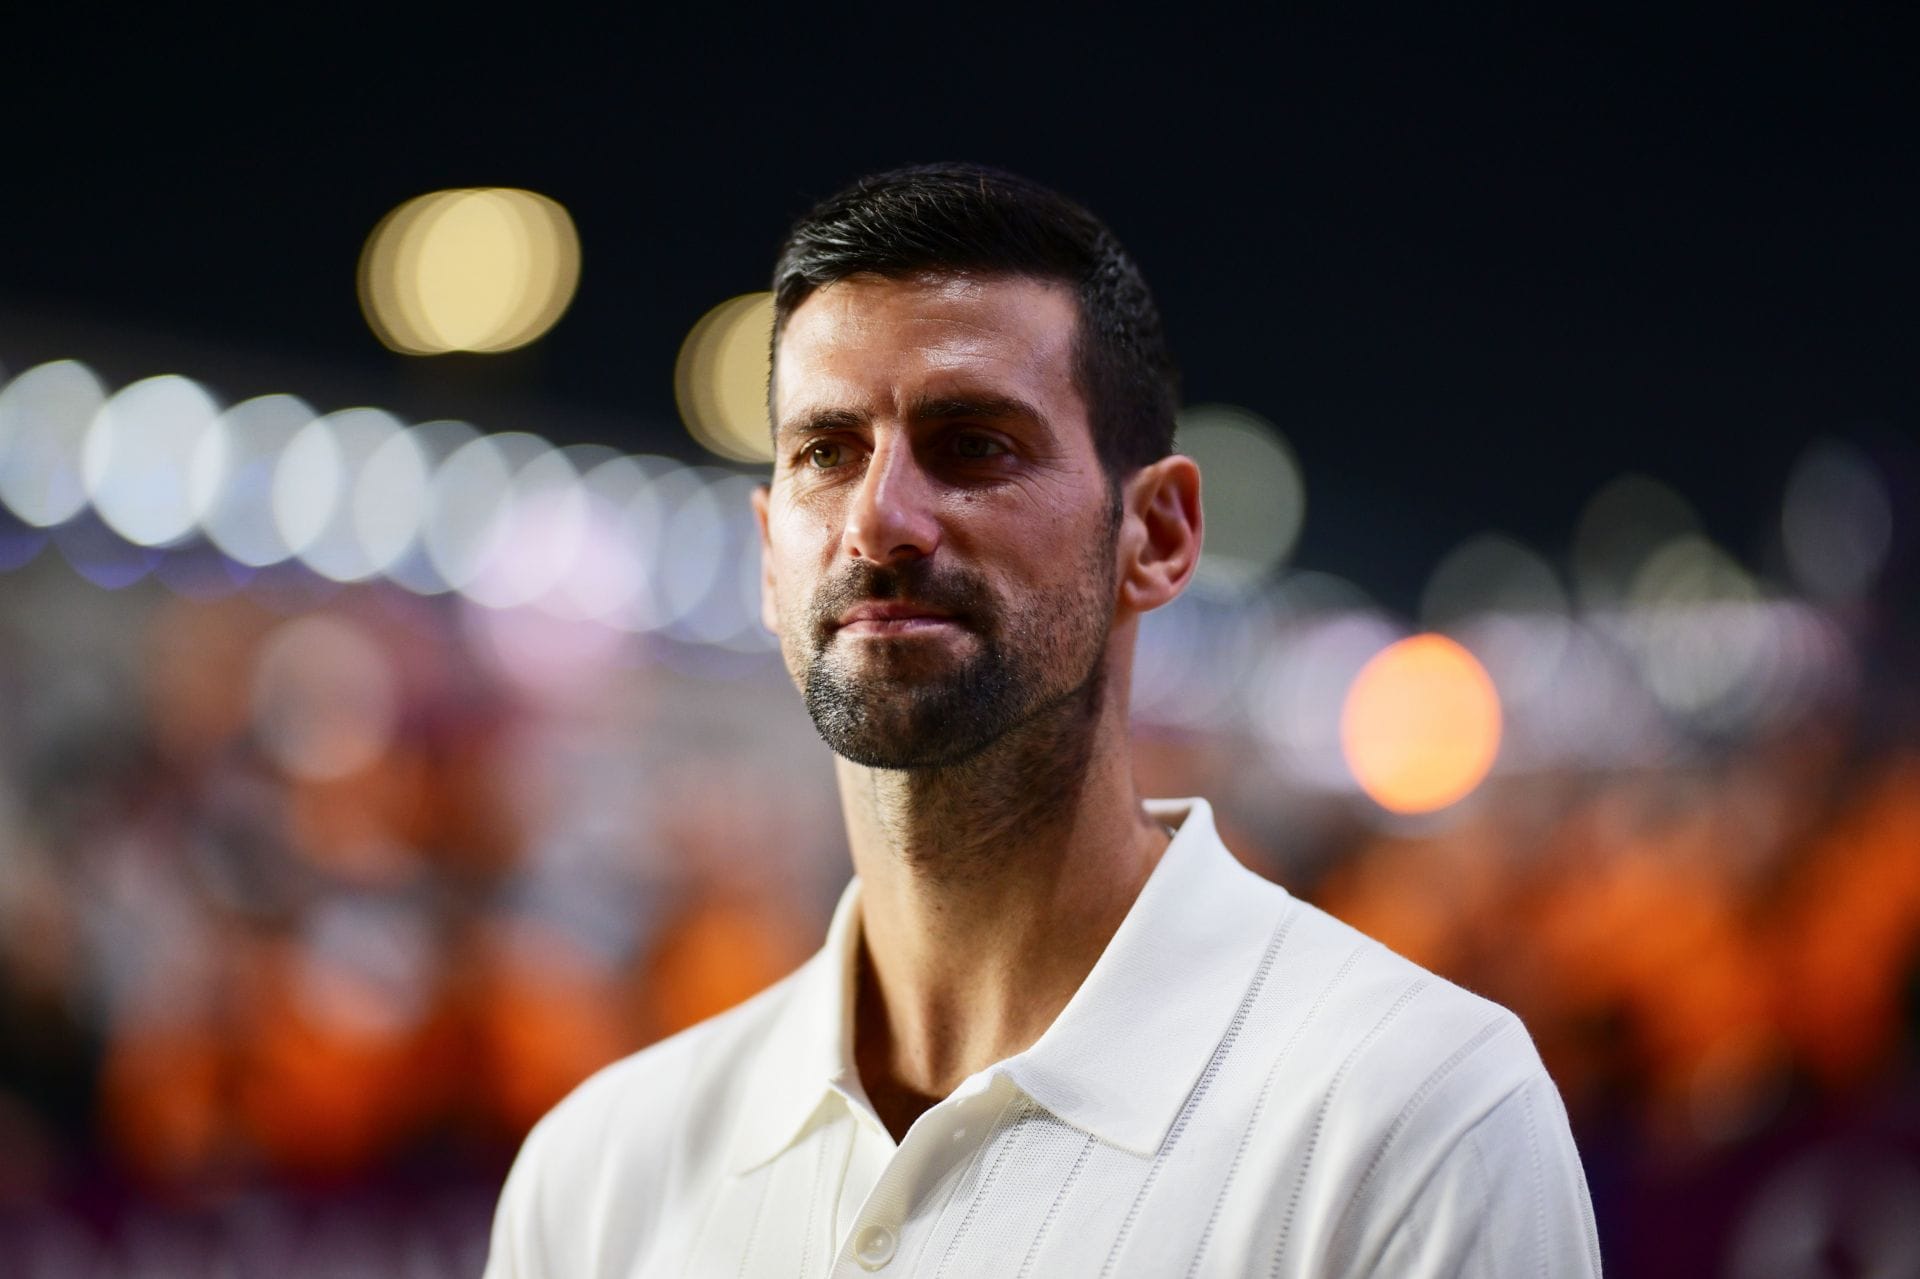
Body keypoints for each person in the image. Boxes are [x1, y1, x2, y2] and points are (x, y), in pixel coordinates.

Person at [483, 164, 1602, 1277]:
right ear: (769, 555)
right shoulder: (597, 1178)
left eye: (973, 444)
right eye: (828, 452)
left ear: (1156, 532)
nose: (881, 520)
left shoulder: (1415, 1121)